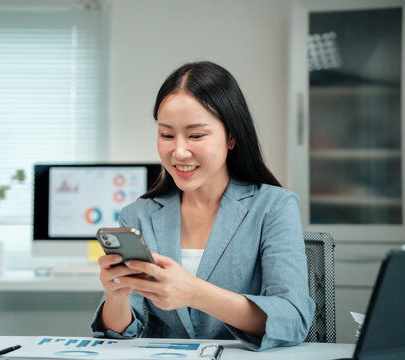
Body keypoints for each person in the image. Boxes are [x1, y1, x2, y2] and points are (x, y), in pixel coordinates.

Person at [91, 61, 315, 351]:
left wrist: (195, 293)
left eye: (196, 135)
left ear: (231, 137)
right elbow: (117, 334)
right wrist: (116, 295)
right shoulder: (138, 215)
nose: (179, 151)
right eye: (167, 135)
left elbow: (292, 318)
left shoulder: (274, 206)